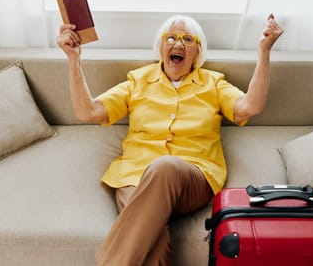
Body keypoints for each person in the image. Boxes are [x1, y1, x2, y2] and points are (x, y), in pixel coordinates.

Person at [56, 13, 284, 266]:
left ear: (197, 52)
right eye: (171, 38)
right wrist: (73, 59)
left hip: (192, 177)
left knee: (164, 166)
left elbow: (250, 106)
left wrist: (264, 51)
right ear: (161, 47)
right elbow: (88, 111)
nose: (178, 44)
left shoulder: (213, 84)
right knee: (154, 240)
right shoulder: (138, 80)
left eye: (188, 39)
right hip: (135, 178)